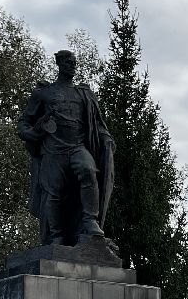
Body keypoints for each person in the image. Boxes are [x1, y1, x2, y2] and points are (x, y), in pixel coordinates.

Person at [16, 49, 116, 246]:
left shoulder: (83, 94)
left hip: (77, 146)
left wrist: (106, 140)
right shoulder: (43, 93)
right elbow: (24, 123)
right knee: (54, 193)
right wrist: (33, 133)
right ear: (59, 64)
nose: (73, 66)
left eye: (74, 63)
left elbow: (96, 125)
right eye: (69, 62)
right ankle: (56, 236)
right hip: (53, 150)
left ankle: (90, 220)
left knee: (89, 171)